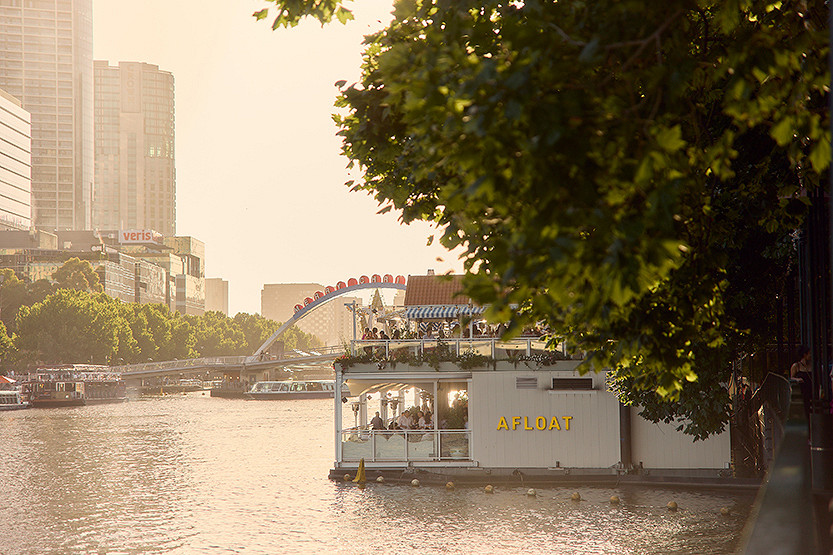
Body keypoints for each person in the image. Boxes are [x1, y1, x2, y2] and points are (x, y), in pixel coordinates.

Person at [790, 345, 813, 419]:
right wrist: (797, 380)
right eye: (809, 353)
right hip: (801, 392)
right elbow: (791, 378)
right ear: (804, 354)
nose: (811, 355)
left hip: (811, 392)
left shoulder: (812, 365)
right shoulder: (796, 366)